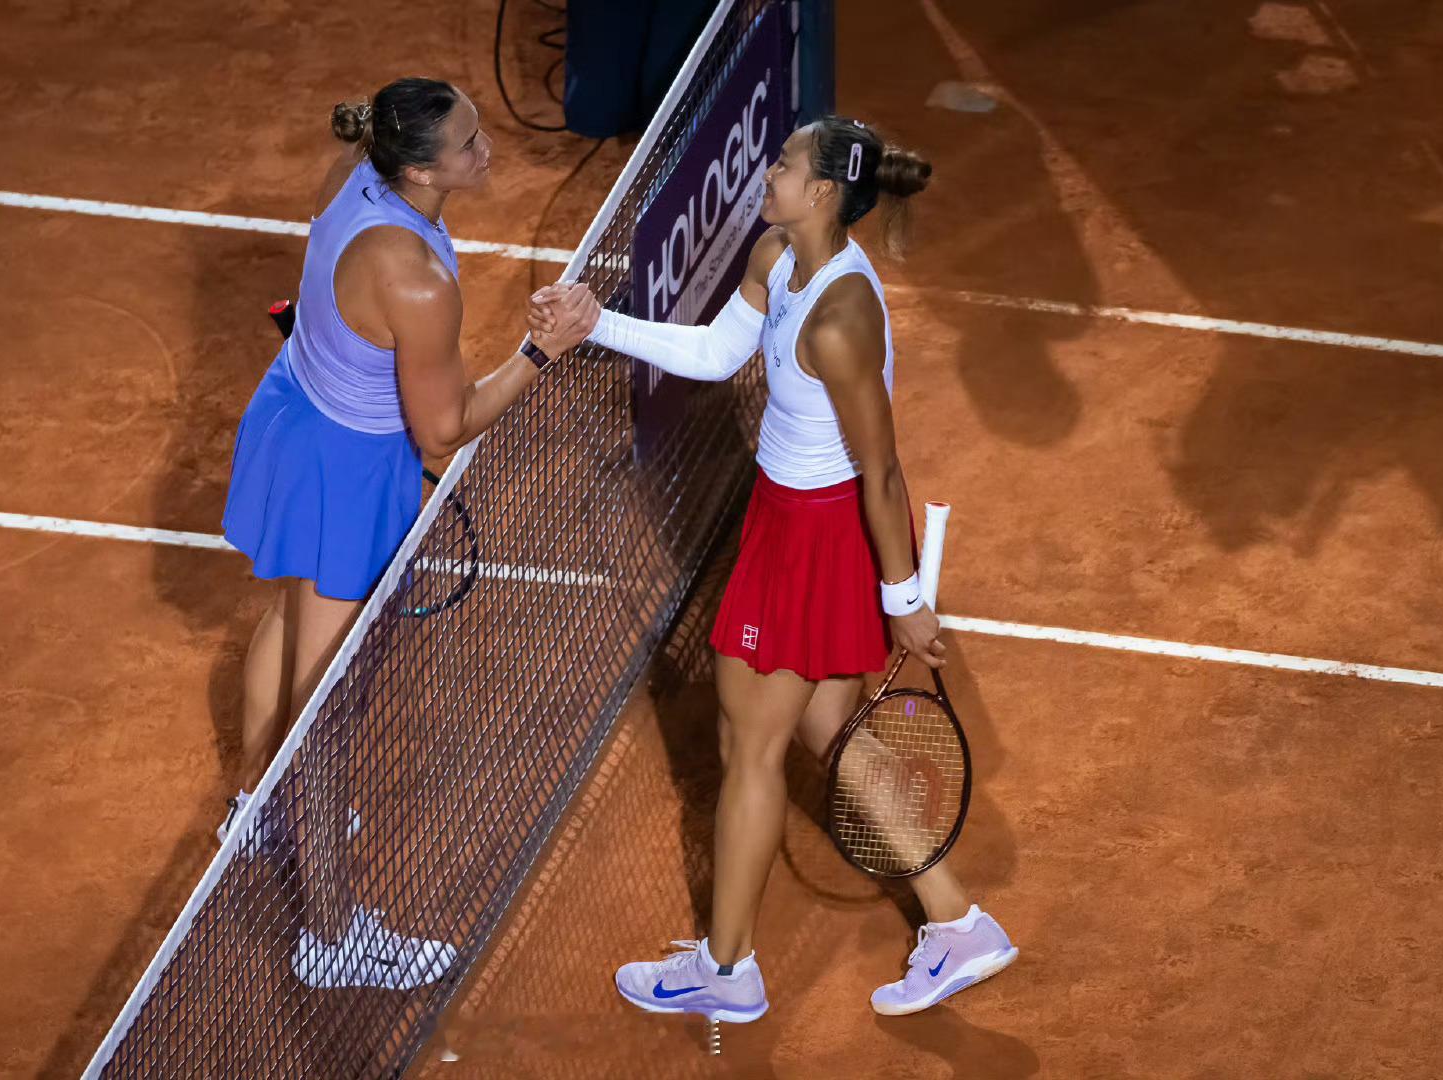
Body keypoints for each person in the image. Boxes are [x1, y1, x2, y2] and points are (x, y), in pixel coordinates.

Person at [532, 115, 1016, 1023]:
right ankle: (958, 924)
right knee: (829, 725)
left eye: (785, 163)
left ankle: (727, 972)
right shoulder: (776, 254)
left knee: (745, 745)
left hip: (815, 537)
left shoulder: (839, 319)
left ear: (823, 191)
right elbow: (718, 354)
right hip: (783, 517)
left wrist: (905, 600)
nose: (768, 170)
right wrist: (600, 323)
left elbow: (881, 471)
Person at [219, 76, 599, 989]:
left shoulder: (357, 173)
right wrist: (543, 351)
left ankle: (253, 807)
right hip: (345, 473)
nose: (487, 151)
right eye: (469, 144)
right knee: (327, 711)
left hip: (295, 415)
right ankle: (331, 937)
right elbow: (443, 430)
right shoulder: (417, 284)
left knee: (291, 613)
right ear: (422, 170)